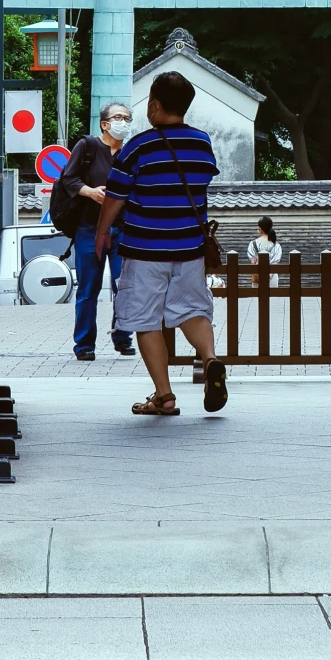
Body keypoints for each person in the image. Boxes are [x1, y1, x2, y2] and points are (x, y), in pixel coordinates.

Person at [96, 69, 227, 418]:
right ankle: (211, 360)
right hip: (189, 248)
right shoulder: (202, 143)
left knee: (146, 320)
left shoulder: (139, 146)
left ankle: (165, 396)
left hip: (145, 248)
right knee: (192, 310)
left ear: (154, 105)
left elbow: (115, 197)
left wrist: (101, 232)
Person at [59, 101, 135, 361]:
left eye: (127, 118)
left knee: (123, 286)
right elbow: (67, 178)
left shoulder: (130, 154)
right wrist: (91, 192)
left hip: (122, 228)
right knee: (88, 288)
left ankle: (123, 336)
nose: (122, 122)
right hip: (89, 228)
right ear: (104, 123)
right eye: (117, 117)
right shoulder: (88, 146)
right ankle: (84, 344)